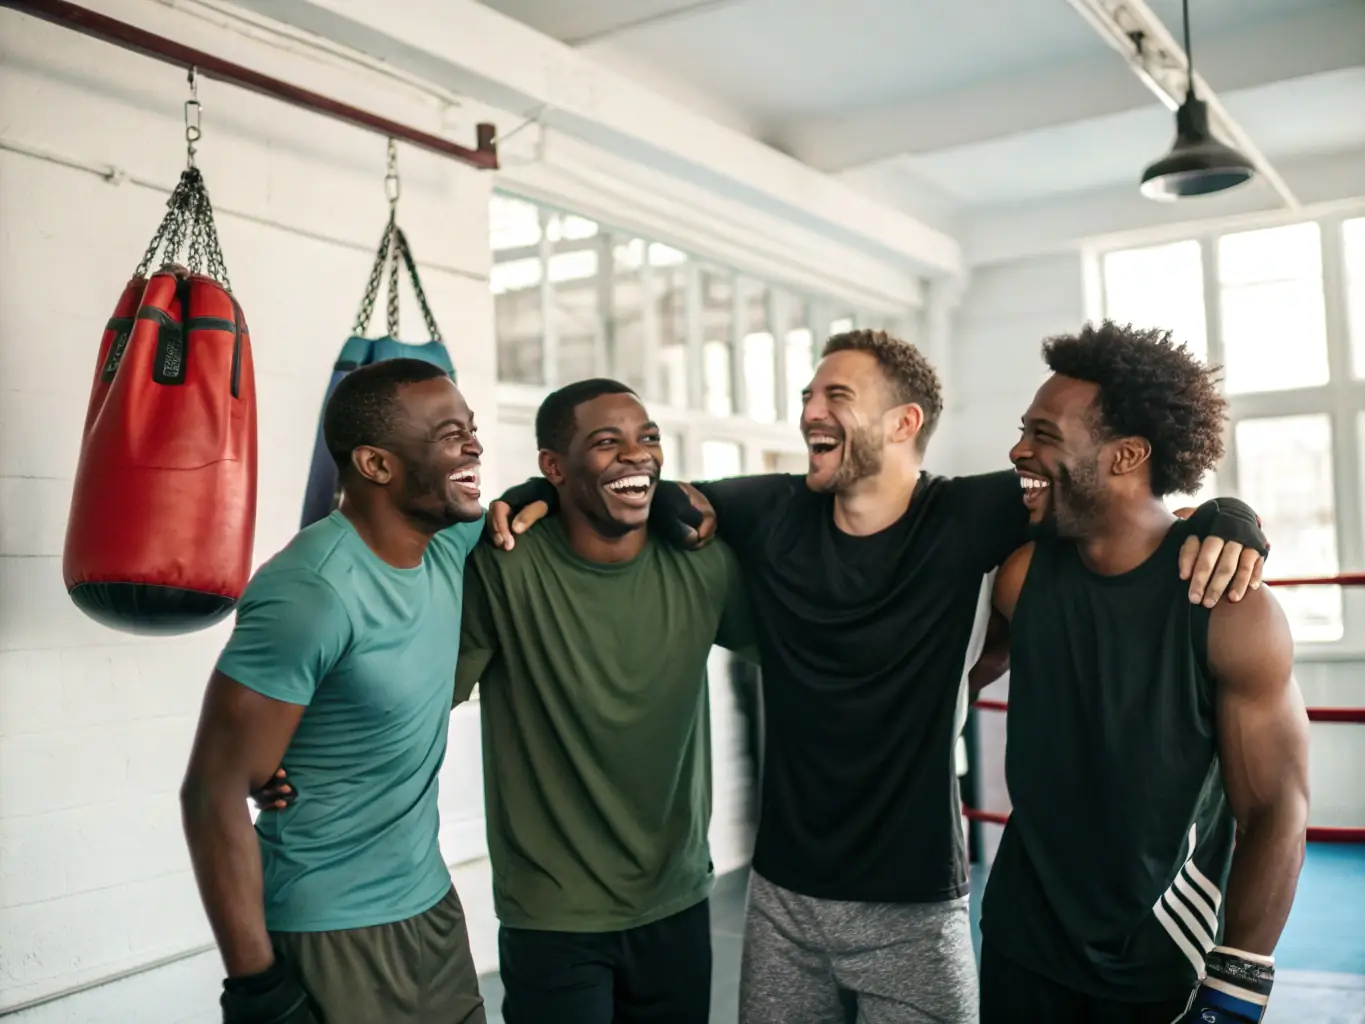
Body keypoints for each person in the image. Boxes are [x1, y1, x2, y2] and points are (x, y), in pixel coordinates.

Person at [489, 329, 1268, 1023]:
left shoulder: (975, 513)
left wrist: (1227, 516)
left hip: (916, 903)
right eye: (807, 395)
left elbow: (1112, 495)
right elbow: (639, 491)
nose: (808, 412)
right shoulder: (767, 511)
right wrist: (536, 491)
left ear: (903, 423)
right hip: (783, 897)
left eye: (836, 396)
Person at [977, 322, 1310, 1024]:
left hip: (1157, 949)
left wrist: (1237, 982)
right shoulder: (1022, 577)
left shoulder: (1228, 607)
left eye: (1043, 433)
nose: (1017, 450)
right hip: (1020, 938)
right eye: (1022, 430)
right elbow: (962, 672)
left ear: (1127, 454)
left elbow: (1275, 806)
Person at [179, 359, 488, 1024]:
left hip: (430, 907)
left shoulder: (446, 539)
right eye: (449, 435)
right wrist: (256, 986)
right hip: (330, 927)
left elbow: (538, 500)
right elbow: (211, 793)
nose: (474, 446)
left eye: (470, 429)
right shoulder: (311, 591)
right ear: (376, 465)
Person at [455, 378, 753, 1023]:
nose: (637, 453)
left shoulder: (704, 565)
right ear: (553, 466)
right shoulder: (506, 565)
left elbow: (808, 657)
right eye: (607, 442)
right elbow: (421, 697)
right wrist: (302, 753)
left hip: (675, 897)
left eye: (649, 438)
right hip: (554, 912)